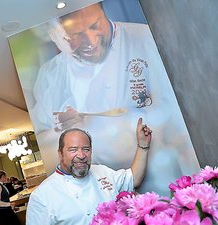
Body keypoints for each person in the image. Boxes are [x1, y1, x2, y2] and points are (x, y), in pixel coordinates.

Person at [28, 2, 200, 196]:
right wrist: (60, 124)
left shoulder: (145, 39)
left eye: (95, 25)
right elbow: (42, 132)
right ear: (54, 36)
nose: (91, 41)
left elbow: (181, 114)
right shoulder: (49, 74)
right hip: (97, 197)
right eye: (74, 36)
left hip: (161, 184)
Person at [26, 118, 151, 225]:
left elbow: (134, 180)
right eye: (73, 149)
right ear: (60, 154)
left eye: (86, 149)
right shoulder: (41, 196)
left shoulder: (102, 171)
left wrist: (143, 145)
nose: (81, 155)